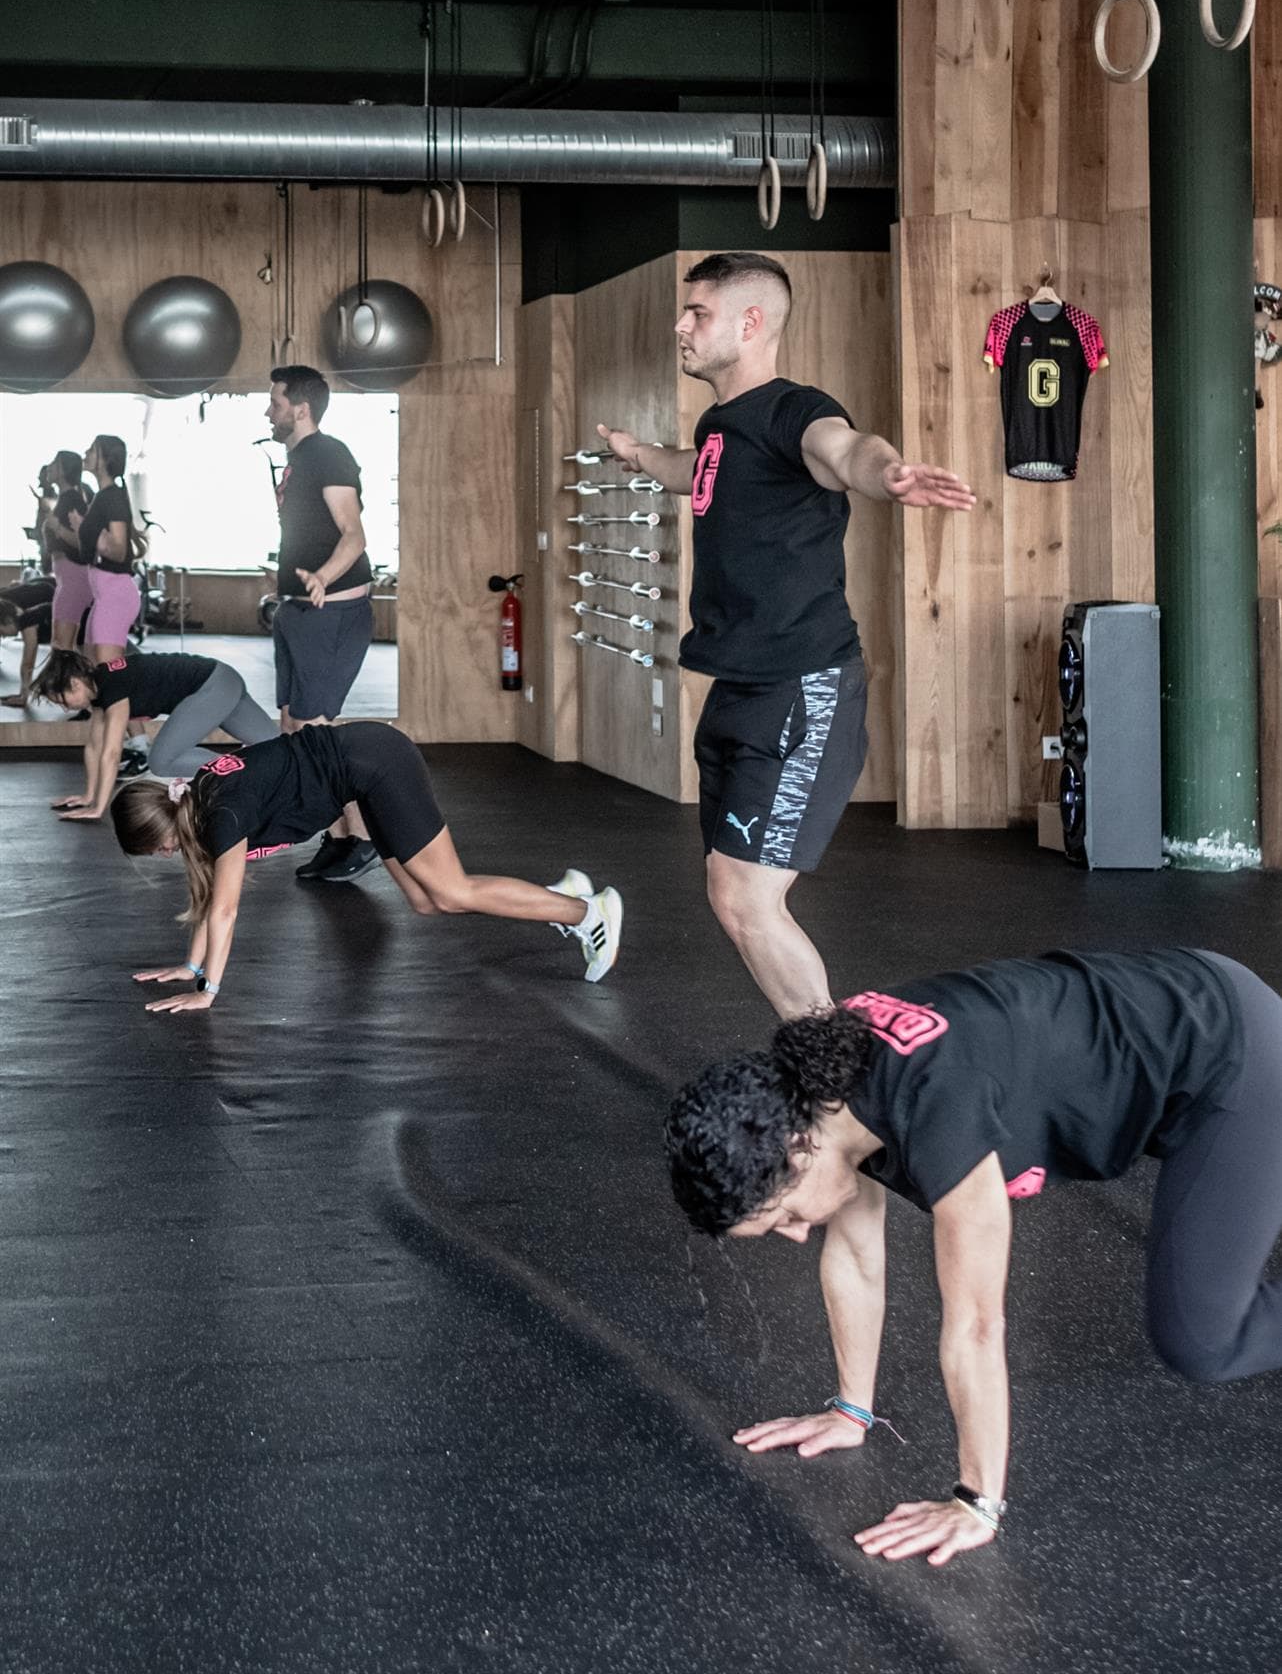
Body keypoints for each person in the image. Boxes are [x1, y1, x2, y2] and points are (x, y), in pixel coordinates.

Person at [665, 947, 1282, 1566]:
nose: (798, 1235)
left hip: (1230, 1050)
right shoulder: (821, 1089)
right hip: (1170, 1017)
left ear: (798, 1151)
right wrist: (852, 1412)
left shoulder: (938, 1108)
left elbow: (978, 1325)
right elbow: (855, 1258)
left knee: (1204, 1339)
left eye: (786, 1216)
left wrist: (975, 1502)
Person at [597, 252, 975, 1020]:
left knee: (745, 898)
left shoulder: (794, 410)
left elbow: (846, 451)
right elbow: (693, 472)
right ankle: (832, 1064)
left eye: (696, 312)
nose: (681, 325)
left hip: (803, 686)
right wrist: (637, 454)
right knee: (730, 892)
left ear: (751, 322)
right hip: (741, 687)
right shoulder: (719, 426)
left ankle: (839, 1083)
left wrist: (890, 472)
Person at [111, 722, 622, 1005]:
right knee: (425, 901)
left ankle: (588, 914)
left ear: (161, 834)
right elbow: (207, 893)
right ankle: (563, 898)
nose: (166, 857)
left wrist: (209, 990)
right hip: (359, 772)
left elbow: (224, 909)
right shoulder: (196, 800)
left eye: (158, 851)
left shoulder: (220, 815)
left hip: (376, 764)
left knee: (452, 891)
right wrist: (190, 965)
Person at [264, 365, 378, 884]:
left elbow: (353, 535)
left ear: (301, 409)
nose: (270, 411)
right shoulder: (298, 460)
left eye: (276, 403)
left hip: (331, 611)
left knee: (313, 728)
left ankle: (360, 836)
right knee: (293, 725)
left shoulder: (328, 453)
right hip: (298, 608)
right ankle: (336, 837)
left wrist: (322, 580)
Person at [34, 647, 277, 819]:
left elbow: (111, 752)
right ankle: (246, 772)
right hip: (225, 678)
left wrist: (99, 807)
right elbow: (94, 747)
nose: (66, 708)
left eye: (63, 701)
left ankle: (240, 771)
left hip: (212, 686)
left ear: (75, 684)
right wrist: (88, 795)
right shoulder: (101, 688)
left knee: (161, 761)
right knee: (277, 748)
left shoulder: (112, 686)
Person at [77, 435, 143, 661]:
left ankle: (123, 692)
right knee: (91, 666)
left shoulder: (112, 497)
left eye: (92, 450)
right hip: (102, 595)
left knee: (112, 671)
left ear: (104, 459)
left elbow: (118, 551)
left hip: (115, 595)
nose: (85, 453)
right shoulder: (102, 496)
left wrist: (86, 529)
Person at [38, 448, 95, 655]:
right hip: (66, 576)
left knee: (61, 646)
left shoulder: (72, 499)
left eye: (54, 463)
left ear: (63, 470)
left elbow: (86, 543)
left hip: (75, 577)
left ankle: (68, 687)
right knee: (62, 645)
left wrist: (57, 528)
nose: (49, 467)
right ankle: (68, 687)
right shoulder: (65, 499)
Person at [0, 576, 55, 707]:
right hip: (46, 589)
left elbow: (28, 660)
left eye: (1, 633)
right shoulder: (8, 605)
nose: (2, 637)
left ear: (8, 621)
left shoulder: (24, 617)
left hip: (58, 595)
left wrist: (23, 695)